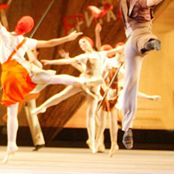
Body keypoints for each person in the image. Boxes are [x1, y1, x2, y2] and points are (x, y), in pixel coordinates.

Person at [0, 0, 96, 163]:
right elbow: (50, 43)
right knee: (53, 78)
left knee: (12, 113)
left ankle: (12, 144)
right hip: (25, 71)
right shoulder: (26, 42)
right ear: (28, 29)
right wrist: (68, 38)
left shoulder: (5, 35)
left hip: (11, 75)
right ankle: (78, 81)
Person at [109, 0, 170, 148]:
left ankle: (127, 127)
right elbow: (152, 0)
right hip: (139, 37)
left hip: (129, 45)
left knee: (130, 86)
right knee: (144, 39)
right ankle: (151, 43)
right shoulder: (142, 0)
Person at [33, 23, 122, 153]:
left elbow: (116, 50)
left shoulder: (101, 55)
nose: (82, 45)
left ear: (89, 43)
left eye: (84, 42)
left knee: (91, 114)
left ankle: (92, 141)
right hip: (83, 81)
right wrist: (52, 62)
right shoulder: (83, 57)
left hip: (94, 86)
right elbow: (69, 62)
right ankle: (41, 108)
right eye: (80, 44)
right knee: (63, 94)